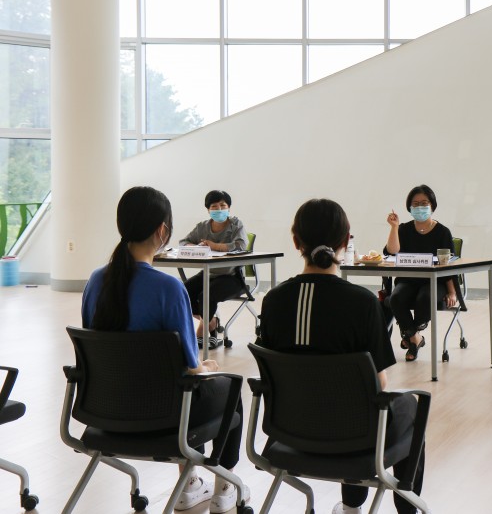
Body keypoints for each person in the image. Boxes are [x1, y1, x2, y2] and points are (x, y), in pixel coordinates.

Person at [81, 186, 249, 512]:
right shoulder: (168, 288)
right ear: (162, 231)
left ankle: (190, 483)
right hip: (164, 416)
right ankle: (223, 485)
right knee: (229, 387)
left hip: (105, 410)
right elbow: (189, 369)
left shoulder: (95, 282)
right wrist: (206, 367)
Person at [257, 198, 425, 514]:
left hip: (287, 433)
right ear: (346, 241)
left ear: (295, 242)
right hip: (354, 438)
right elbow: (378, 384)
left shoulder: (274, 301)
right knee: (407, 407)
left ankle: (350, 510)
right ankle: (387, 509)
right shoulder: (362, 303)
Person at [385, 184, 457, 361]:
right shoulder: (404, 229)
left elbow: (449, 265)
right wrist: (394, 227)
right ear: (409, 208)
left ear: (432, 205)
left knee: (425, 297)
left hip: (435, 281)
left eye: (424, 203)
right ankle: (415, 338)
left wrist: (452, 291)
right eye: (415, 204)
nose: (419, 207)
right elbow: (392, 252)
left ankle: (411, 336)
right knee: (396, 298)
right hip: (408, 280)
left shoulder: (443, 232)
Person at [179, 190, 248, 349]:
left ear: (229, 208)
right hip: (208, 274)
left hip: (232, 277)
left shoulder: (236, 224)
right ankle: (211, 322)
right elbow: (183, 242)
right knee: (182, 292)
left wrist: (214, 246)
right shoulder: (202, 227)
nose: (219, 209)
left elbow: (241, 245)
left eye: (223, 205)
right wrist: (197, 247)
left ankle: (203, 332)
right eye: (214, 206)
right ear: (208, 210)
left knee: (206, 296)